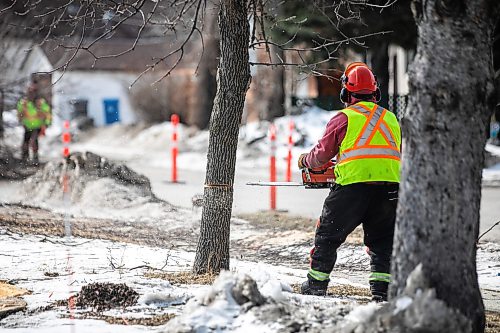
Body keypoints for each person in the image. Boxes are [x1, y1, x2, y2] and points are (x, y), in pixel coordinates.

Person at [298, 62, 401, 302]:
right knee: (383, 243)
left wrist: (305, 161)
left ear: (346, 92)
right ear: (375, 92)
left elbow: (321, 156)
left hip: (352, 190)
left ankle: (316, 284)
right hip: (389, 190)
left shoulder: (343, 118)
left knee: (327, 236)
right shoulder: (392, 119)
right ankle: (381, 293)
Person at [17, 82, 52, 164]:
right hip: (27, 126)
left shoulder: (40, 102)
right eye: (30, 91)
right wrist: (21, 120)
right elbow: (19, 113)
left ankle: (35, 159)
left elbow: (47, 113)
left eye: (34, 91)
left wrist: (46, 123)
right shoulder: (24, 102)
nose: (32, 93)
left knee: (34, 141)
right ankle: (25, 158)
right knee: (26, 141)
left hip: (37, 125)